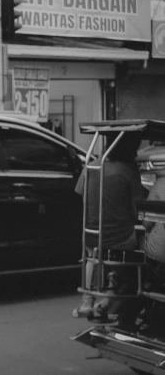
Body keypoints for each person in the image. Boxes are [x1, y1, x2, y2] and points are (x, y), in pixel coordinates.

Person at [72, 132, 144, 321]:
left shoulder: (91, 165)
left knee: (91, 256)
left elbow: (81, 195)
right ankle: (108, 299)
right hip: (120, 239)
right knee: (142, 248)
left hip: (91, 235)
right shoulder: (128, 171)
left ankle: (87, 301)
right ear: (128, 149)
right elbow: (137, 209)